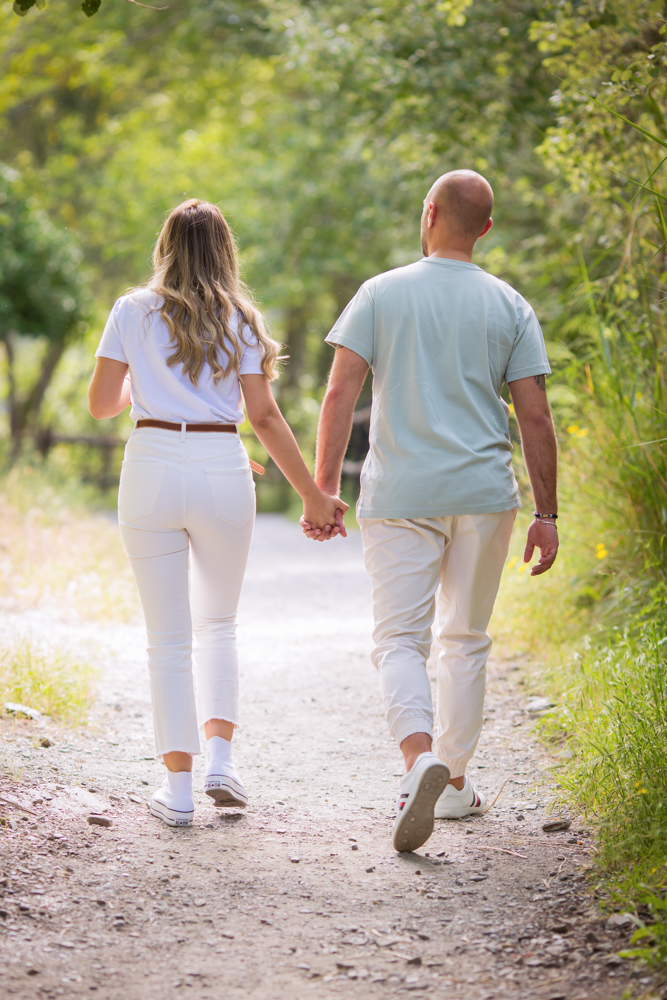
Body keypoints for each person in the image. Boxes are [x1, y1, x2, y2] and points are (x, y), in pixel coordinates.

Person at [302, 170, 558, 853]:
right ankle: (453, 785)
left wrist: (324, 487)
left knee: (398, 641)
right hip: (483, 495)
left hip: (399, 496)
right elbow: (534, 415)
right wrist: (548, 513)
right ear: (485, 228)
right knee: (464, 639)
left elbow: (338, 394)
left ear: (429, 213)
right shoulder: (509, 305)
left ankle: (419, 763)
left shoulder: (380, 294)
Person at [89, 199, 347, 828]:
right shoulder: (242, 319)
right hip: (223, 465)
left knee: (168, 637)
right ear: (226, 252)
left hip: (151, 464)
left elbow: (102, 404)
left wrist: (142, 379)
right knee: (220, 625)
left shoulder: (131, 310)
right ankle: (222, 762)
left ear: (165, 247)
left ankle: (176, 792)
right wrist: (314, 495)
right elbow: (262, 417)